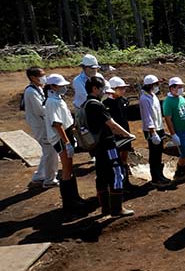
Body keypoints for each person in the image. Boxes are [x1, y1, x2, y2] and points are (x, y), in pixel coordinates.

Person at [83, 76, 136, 217]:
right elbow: (111, 124)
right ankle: (117, 208)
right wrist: (127, 134)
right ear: (95, 89)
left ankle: (105, 208)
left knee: (101, 176)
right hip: (107, 144)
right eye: (102, 89)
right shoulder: (97, 105)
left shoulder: (86, 104)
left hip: (96, 146)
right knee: (117, 174)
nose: (104, 92)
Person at [45, 73, 88, 211]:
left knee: (69, 167)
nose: (64, 88)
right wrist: (67, 142)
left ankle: (74, 197)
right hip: (60, 138)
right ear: (52, 86)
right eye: (61, 86)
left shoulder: (58, 98)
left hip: (66, 135)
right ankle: (69, 202)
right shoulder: (51, 102)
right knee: (66, 169)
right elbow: (57, 124)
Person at [24, 67, 59, 189]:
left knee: (48, 152)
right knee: (51, 152)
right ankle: (49, 179)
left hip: (44, 125)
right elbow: (40, 110)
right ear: (33, 78)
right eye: (41, 75)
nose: (44, 77)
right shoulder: (31, 92)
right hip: (40, 126)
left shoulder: (38, 88)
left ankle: (39, 177)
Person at [103, 77, 137, 192]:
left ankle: (126, 182)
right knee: (115, 160)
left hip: (125, 134)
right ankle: (116, 184)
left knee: (124, 157)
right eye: (121, 88)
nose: (123, 91)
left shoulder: (123, 101)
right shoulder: (106, 104)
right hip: (115, 136)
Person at [138, 75, 171, 188]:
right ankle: (155, 177)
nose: (157, 86)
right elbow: (148, 117)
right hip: (152, 130)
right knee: (154, 153)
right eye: (156, 84)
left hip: (158, 128)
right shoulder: (144, 99)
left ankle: (160, 174)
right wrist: (153, 133)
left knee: (159, 152)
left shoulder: (153, 96)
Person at [162, 77, 185, 182]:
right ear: (172, 88)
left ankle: (183, 172)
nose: (181, 89)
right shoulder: (168, 102)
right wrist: (173, 134)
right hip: (180, 132)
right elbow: (168, 119)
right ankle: (178, 173)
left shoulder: (181, 98)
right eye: (179, 87)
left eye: (181, 87)